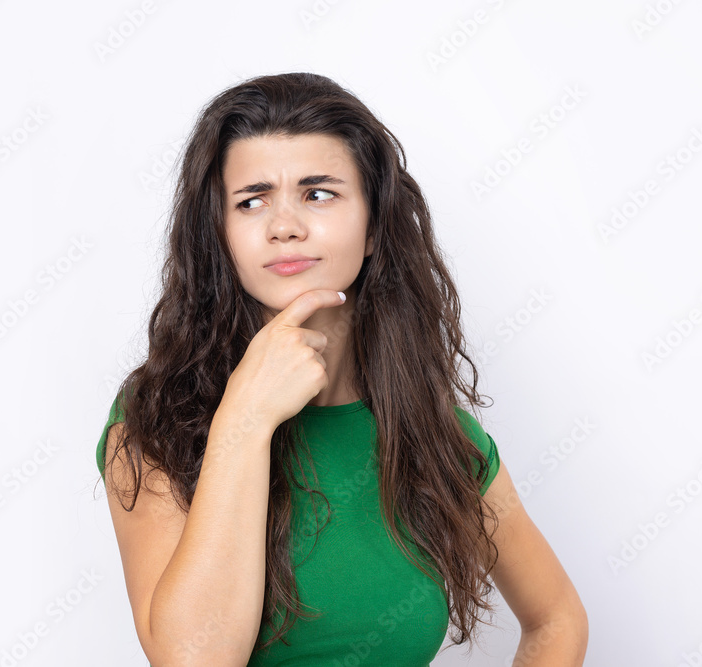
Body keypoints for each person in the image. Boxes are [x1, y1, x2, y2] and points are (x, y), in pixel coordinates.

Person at [95, 72, 588, 666]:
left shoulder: (438, 436)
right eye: (251, 200)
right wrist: (245, 419)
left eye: (318, 193)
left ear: (375, 225)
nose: (284, 226)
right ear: (220, 236)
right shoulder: (156, 420)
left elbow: (556, 618)